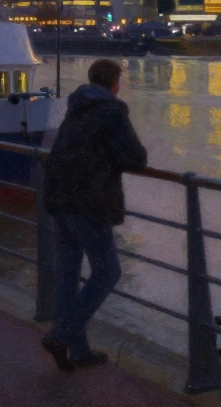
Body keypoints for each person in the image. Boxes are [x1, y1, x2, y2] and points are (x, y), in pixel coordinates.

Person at [40, 58, 147, 372]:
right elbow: (135, 157)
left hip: (60, 197)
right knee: (107, 272)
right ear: (115, 84)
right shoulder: (112, 111)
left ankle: (78, 350)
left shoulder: (77, 106)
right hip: (89, 201)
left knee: (69, 275)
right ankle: (60, 335)